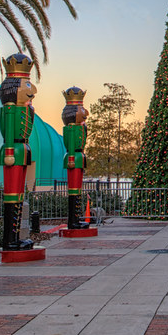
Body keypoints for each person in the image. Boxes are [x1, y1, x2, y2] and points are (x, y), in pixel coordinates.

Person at [0, 53, 37, 251]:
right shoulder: (10, 109)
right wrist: (10, 151)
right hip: (13, 151)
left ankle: (16, 236)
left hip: (22, 149)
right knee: (12, 194)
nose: (32, 90)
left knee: (19, 194)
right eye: (27, 85)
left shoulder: (25, 109)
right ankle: (10, 239)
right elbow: (8, 128)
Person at [62, 86, 90, 229]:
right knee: (73, 189)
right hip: (74, 158)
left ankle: (77, 218)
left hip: (79, 157)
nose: (84, 112)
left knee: (78, 189)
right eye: (80, 108)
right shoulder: (71, 128)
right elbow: (71, 143)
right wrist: (72, 158)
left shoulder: (80, 126)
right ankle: (73, 220)